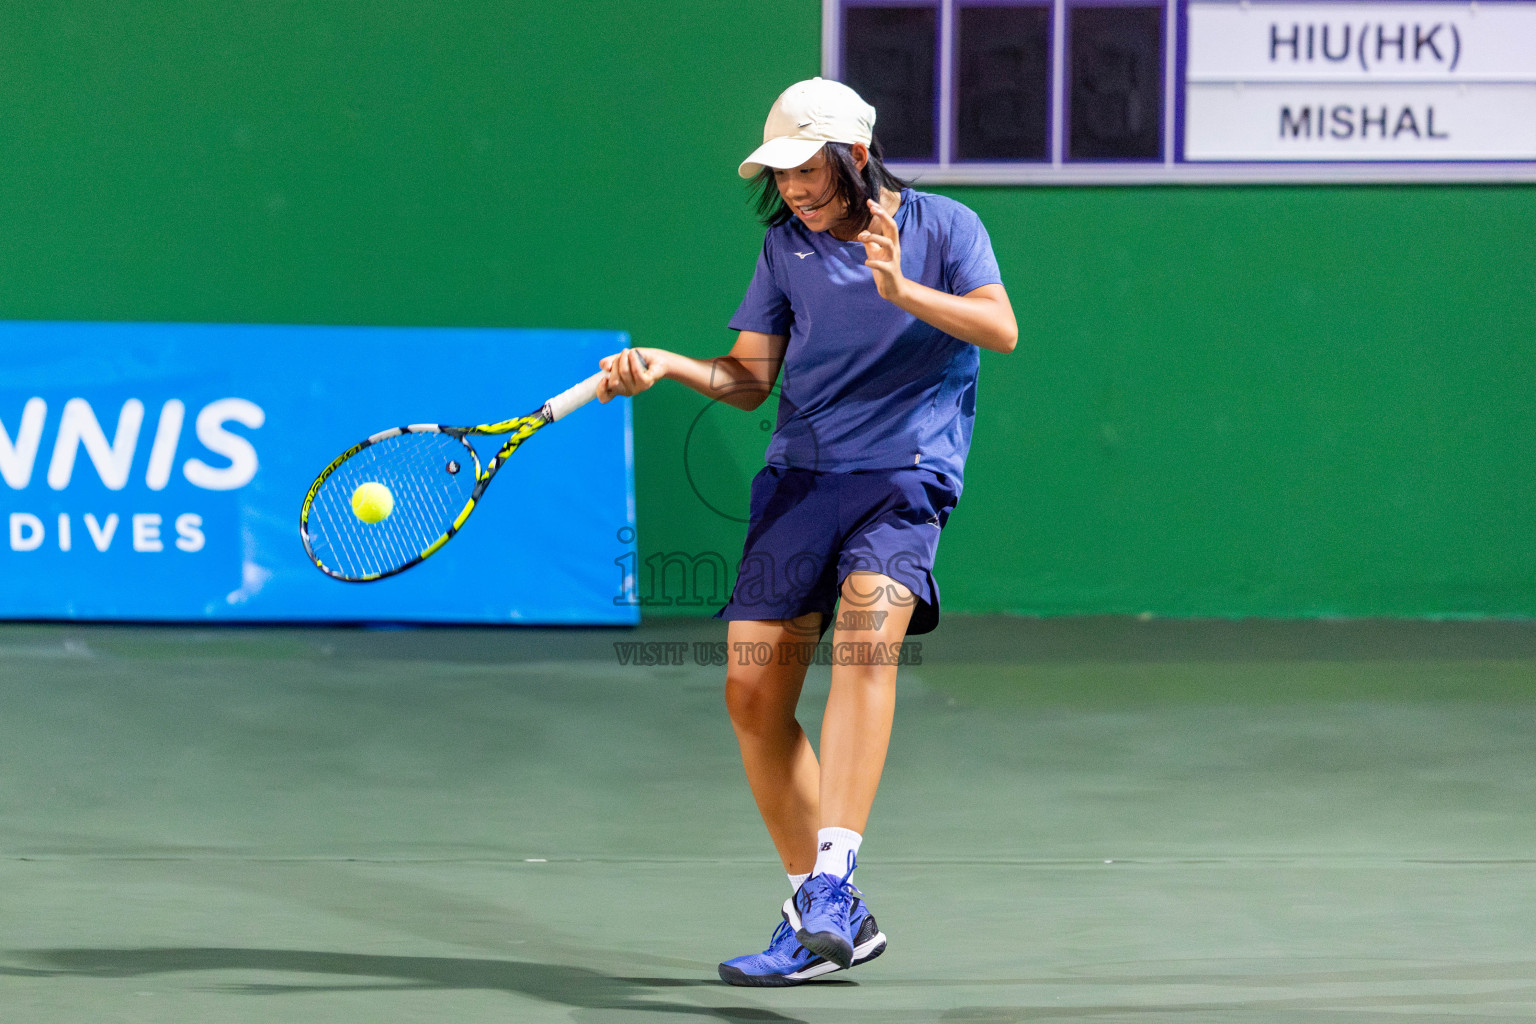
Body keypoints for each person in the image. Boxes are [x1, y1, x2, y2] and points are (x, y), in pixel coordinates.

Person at [597, 77, 1016, 986]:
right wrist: (667, 365)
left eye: (807, 172)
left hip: (904, 476)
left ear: (856, 157)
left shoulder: (945, 228)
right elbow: (750, 379)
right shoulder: (784, 247)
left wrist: (904, 290)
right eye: (780, 174)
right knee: (751, 698)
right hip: (800, 479)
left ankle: (834, 877)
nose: (791, 188)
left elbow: (1000, 328)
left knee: (867, 646)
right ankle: (822, 916)